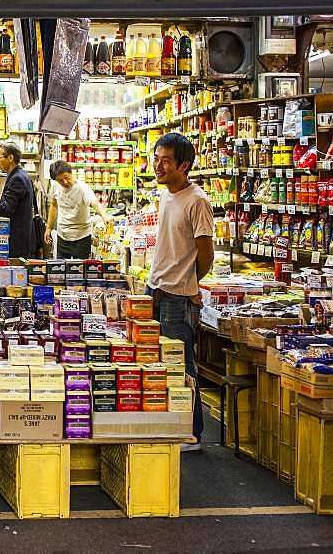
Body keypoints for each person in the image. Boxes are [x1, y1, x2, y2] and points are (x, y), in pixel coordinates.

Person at [147, 133, 214, 451]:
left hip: (176, 296)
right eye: (156, 158)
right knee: (156, 362)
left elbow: (206, 256)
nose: (158, 165)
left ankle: (193, 433)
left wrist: (188, 283)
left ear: (184, 165)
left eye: (166, 160)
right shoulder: (166, 195)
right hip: (155, 289)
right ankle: (167, 424)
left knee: (181, 364)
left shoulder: (197, 200)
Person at [45, 160, 112, 259]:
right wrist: (48, 228)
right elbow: (54, 205)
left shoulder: (83, 188)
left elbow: (95, 203)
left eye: (66, 177)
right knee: (61, 270)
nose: (64, 182)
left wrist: (104, 215)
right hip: (62, 236)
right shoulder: (55, 186)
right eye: (60, 180)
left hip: (81, 237)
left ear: (71, 173)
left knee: (81, 271)